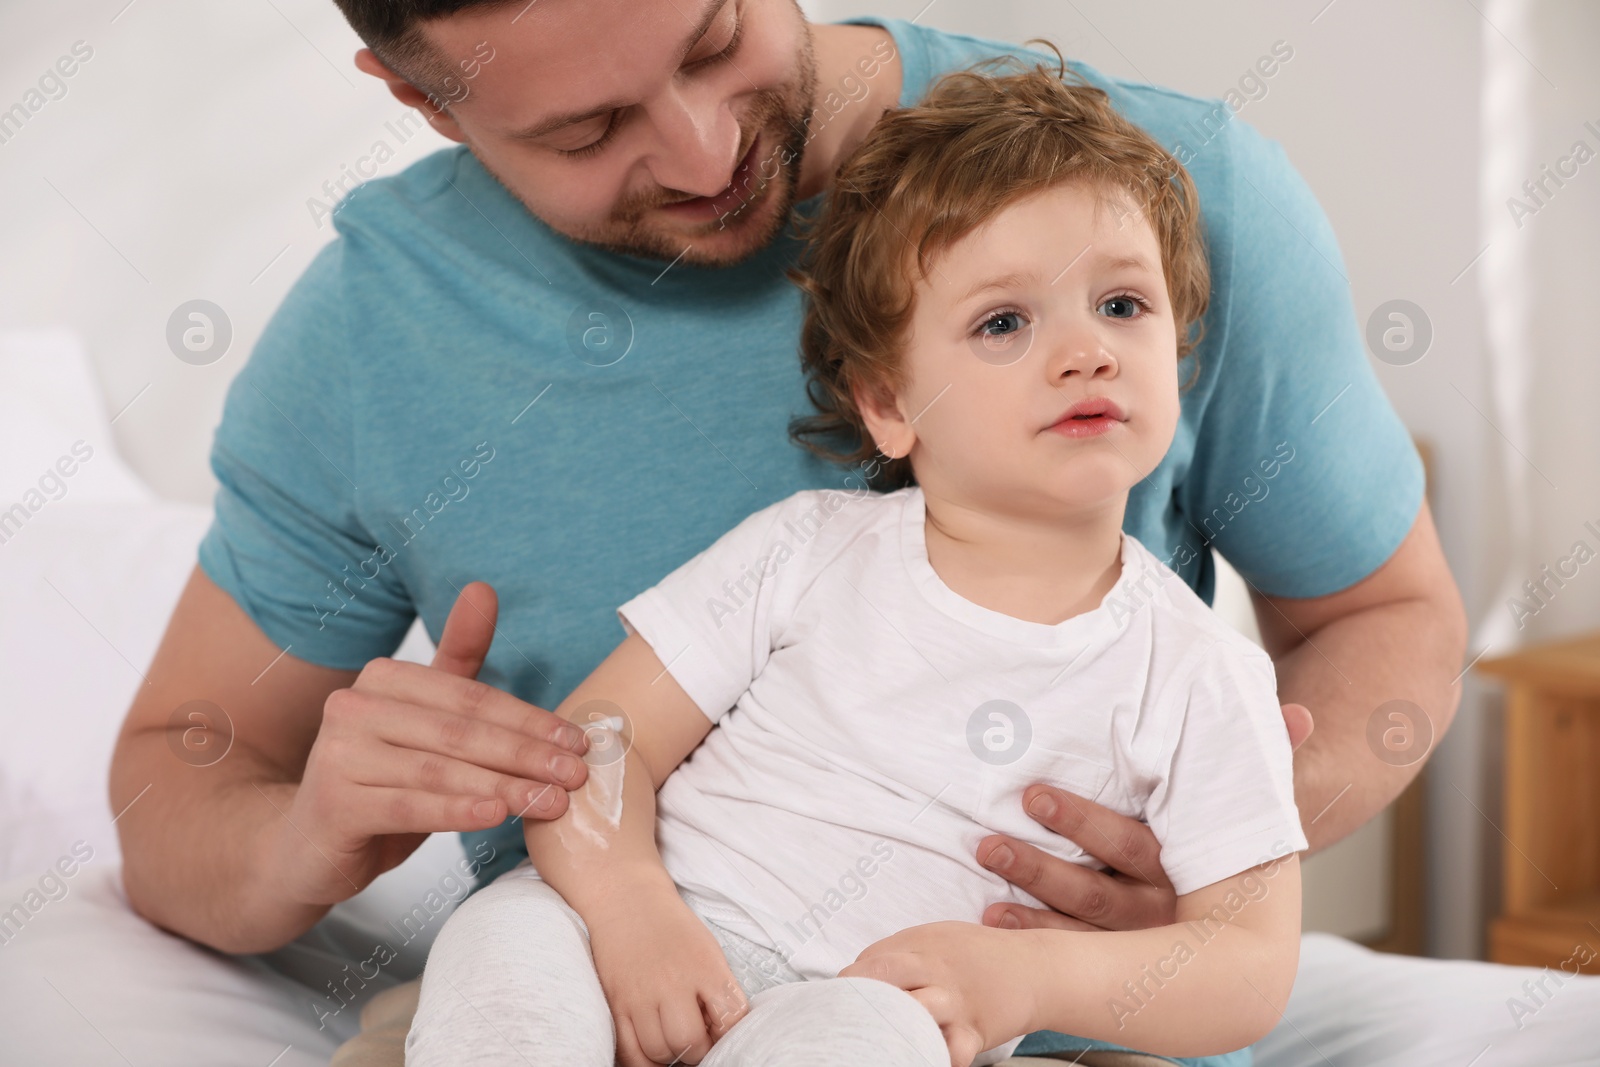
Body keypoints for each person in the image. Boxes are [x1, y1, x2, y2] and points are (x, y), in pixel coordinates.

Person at [40, 0, 1580, 1063]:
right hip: (599, 966)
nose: (709, 156)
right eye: (587, 131)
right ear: (415, 93)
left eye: (716, 36)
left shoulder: (1161, 192)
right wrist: (311, 831)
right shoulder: (371, 337)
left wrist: (1181, 868)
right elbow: (184, 780)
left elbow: (1389, 614)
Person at [404, 58, 1306, 1067]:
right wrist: (627, 909)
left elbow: (1248, 962)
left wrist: (1025, 978)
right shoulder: (808, 549)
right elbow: (599, 737)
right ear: (885, 404)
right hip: (637, 934)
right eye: (1005, 321)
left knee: (870, 1041)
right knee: (502, 934)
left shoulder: (1196, 669)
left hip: (867, 1001)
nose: (1086, 350)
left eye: (1124, 305)